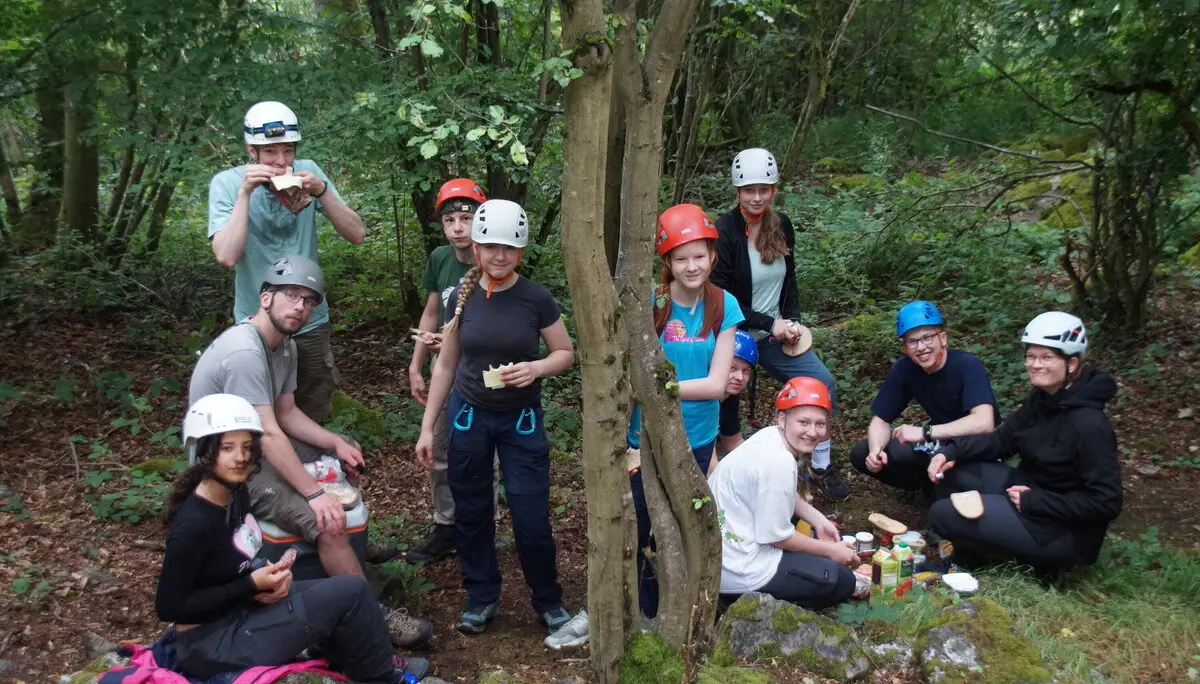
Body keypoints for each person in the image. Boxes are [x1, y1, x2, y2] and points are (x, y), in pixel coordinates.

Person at [189, 254, 432, 648]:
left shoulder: (285, 347)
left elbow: (286, 413)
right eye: (291, 295)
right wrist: (314, 494)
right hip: (227, 466)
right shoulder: (245, 351)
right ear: (265, 297)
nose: (300, 307)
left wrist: (335, 442)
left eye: (308, 300)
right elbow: (268, 434)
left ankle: (352, 546)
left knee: (341, 454)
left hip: (255, 445)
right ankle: (371, 613)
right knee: (325, 522)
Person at [156, 394, 430, 683]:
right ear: (203, 452)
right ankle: (380, 678)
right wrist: (249, 585)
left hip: (239, 614)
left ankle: (342, 663)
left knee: (339, 591)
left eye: (248, 448)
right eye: (227, 448)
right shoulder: (194, 523)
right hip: (211, 645)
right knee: (353, 593)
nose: (240, 458)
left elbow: (227, 567)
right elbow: (170, 607)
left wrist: (268, 580)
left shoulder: (236, 494)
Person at [414, 199, 575, 636]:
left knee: (530, 515)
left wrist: (537, 367)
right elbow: (446, 364)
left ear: (520, 251)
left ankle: (548, 599)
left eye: (508, 248)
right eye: (490, 247)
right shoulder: (461, 299)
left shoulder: (535, 298)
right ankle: (482, 596)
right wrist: (429, 427)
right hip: (468, 417)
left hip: (520, 418)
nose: (498, 256)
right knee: (472, 511)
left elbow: (565, 352)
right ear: (478, 248)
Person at [927, 312, 1122, 576]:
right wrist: (951, 451)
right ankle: (973, 553)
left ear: (1072, 364)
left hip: (1059, 529)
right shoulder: (1042, 398)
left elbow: (1106, 503)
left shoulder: (1090, 425)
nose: (1035, 364)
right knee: (953, 470)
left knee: (942, 514)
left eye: (1047, 357)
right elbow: (1002, 440)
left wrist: (1036, 501)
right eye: (1031, 356)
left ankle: (1045, 567)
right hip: (1028, 491)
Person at [208, 101, 365, 424]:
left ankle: (312, 469)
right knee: (254, 414)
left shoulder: (309, 172)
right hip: (255, 322)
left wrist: (322, 191)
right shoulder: (226, 183)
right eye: (270, 153)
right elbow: (226, 255)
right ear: (252, 150)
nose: (281, 162)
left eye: (288, 151)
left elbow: (357, 234)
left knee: (312, 408)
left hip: (310, 321)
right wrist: (245, 194)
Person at [627, 203, 745, 618]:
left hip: (698, 435)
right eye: (681, 258)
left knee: (684, 523)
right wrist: (650, 393)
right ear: (667, 262)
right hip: (646, 436)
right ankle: (643, 612)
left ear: (713, 255)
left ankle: (685, 607)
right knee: (643, 522)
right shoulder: (652, 302)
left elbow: (716, 385)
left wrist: (659, 389)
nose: (691, 266)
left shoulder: (723, 305)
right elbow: (632, 374)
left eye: (699, 256)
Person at [711, 147, 847, 501]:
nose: (757, 197)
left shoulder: (781, 224)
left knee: (822, 383)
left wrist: (793, 322)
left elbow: (790, 280)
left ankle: (817, 464)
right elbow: (722, 297)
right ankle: (726, 466)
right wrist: (770, 323)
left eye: (764, 189)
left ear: (774, 190)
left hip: (774, 336)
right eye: (749, 190)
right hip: (736, 334)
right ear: (737, 191)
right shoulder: (724, 231)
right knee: (725, 398)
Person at [407, 178, 498, 565]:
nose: (458, 227)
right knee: (440, 449)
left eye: (466, 217)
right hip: (443, 371)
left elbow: (502, 323)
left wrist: (461, 343)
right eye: (450, 220)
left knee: (482, 453)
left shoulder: (495, 257)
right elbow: (431, 313)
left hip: (481, 373)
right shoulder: (440, 260)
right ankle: (446, 524)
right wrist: (415, 365)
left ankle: (482, 526)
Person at [710, 377, 857, 610]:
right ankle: (740, 605)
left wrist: (818, 520)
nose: (812, 432)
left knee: (819, 556)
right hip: (740, 569)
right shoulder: (778, 462)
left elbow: (781, 494)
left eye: (820, 424)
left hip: (724, 551)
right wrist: (831, 551)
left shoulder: (770, 437)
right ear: (782, 418)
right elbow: (778, 538)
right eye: (804, 422)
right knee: (841, 580)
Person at [849, 301, 999, 498]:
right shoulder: (905, 369)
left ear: (943, 338)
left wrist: (925, 432)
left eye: (927, 337)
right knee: (862, 453)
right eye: (912, 341)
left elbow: (984, 422)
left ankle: (945, 491)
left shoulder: (967, 365)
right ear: (905, 348)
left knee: (956, 486)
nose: (921, 347)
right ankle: (926, 486)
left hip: (974, 445)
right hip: (939, 442)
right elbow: (881, 420)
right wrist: (876, 452)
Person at [716, 329, 760, 458]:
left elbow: (732, 441)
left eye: (745, 370)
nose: (739, 377)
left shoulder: (730, 396)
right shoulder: (701, 399)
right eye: (732, 368)